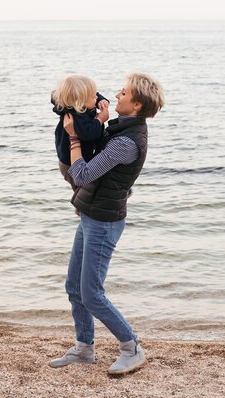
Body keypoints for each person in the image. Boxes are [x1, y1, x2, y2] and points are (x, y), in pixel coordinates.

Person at [49, 73, 164, 375]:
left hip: (104, 221)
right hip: (91, 213)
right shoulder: (121, 128)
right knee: (74, 286)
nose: (116, 95)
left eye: (123, 93)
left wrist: (73, 136)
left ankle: (132, 347)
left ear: (137, 104)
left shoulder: (127, 141)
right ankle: (84, 348)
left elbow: (83, 175)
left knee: (91, 293)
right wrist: (98, 121)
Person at [52, 75, 110, 190]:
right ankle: (81, 206)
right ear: (80, 101)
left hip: (73, 159)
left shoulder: (75, 104)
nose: (96, 97)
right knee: (82, 191)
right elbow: (88, 133)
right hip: (70, 164)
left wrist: (101, 99)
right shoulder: (77, 116)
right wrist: (100, 119)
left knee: (85, 190)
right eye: (93, 96)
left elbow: (91, 96)